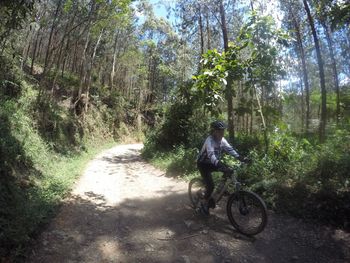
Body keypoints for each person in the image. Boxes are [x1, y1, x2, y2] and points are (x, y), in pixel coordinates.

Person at [197, 120, 246, 215]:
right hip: (203, 164)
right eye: (219, 131)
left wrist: (241, 158)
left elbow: (230, 150)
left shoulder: (222, 140)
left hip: (213, 163)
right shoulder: (209, 140)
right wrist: (221, 165)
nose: (222, 133)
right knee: (211, 186)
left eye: (223, 131)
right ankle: (203, 205)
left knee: (229, 171)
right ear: (214, 131)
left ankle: (215, 195)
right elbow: (211, 156)